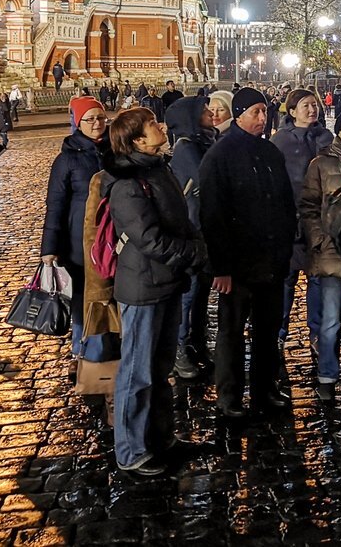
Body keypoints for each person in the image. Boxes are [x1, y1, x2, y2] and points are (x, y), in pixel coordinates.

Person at [103, 107, 208, 477]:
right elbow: (149, 239)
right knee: (138, 371)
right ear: (136, 140)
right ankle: (130, 451)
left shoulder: (155, 169)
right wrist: (193, 253)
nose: (160, 125)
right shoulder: (127, 183)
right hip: (143, 285)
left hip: (165, 281)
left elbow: (179, 218)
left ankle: (162, 438)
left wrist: (193, 245)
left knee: (160, 368)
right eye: (152, 124)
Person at [199, 87, 298, 417]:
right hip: (238, 264)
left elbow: (285, 203)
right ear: (238, 114)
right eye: (255, 111)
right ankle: (229, 398)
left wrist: (285, 247)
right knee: (232, 332)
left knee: (267, 331)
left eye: (264, 111)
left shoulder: (270, 153)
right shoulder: (220, 155)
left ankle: (264, 389)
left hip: (271, 258)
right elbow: (212, 214)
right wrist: (220, 266)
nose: (262, 117)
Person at [300, 108, 341, 401]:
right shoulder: (322, 162)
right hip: (330, 250)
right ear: (338, 130)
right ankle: (327, 373)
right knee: (330, 318)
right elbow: (309, 205)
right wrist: (318, 239)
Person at [41, 97, 110, 357]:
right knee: (82, 294)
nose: (97, 124)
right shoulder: (66, 160)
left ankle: (107, 344)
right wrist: (49, 248)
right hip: (78, 240)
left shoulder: (115, 150)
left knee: (109, 292)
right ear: (78, 122)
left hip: (112, 237)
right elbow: (55, 205)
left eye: (101, 118)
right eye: (90, 119)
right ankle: (80, 347)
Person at [272, 89, 334, 348]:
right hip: (289, 218)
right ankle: (279, 329)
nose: (312, 110)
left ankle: (316, 332)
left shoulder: (325, 138)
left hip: (320, 220)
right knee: (287, 278)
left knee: (317, 277)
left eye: (314, 105)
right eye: (306, 105)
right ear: (293, 110)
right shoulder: (280, 141)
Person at [166, 96, 217, 379]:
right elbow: (206, 181)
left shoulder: (205, 141)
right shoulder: (187, 147)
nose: (210, 113)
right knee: (189, 293)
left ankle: (197, 344)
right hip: (194, 230)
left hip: (206, 229)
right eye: (203, 110)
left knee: (201, 293)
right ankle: (180, 348)